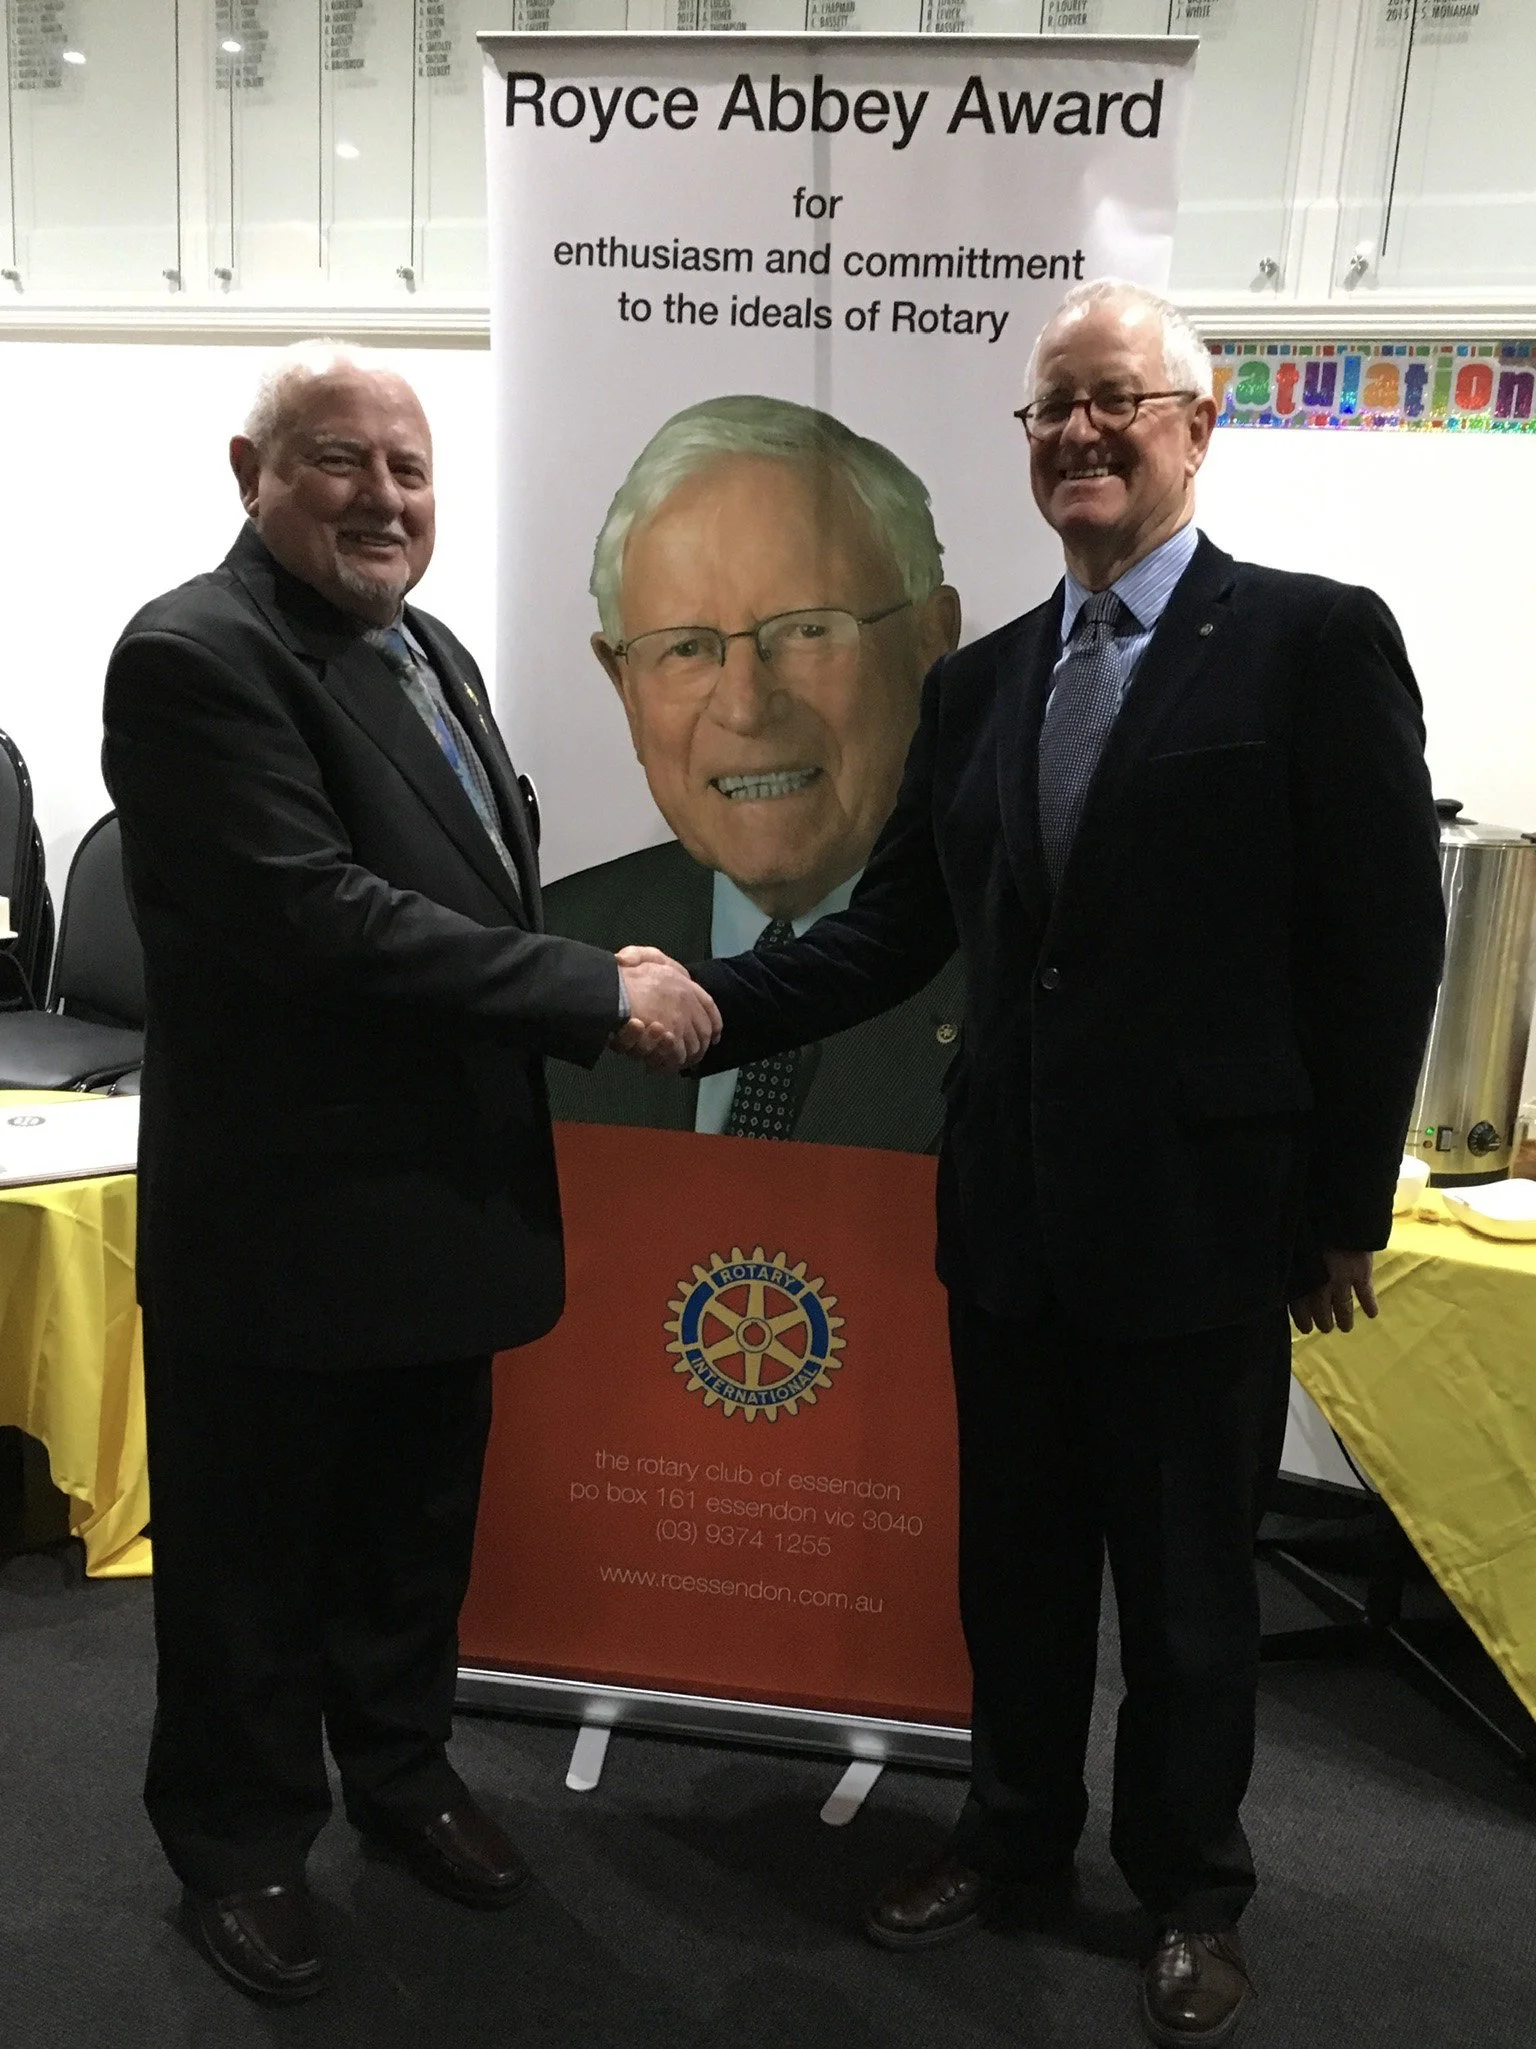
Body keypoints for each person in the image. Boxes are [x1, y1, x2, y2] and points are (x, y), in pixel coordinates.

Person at [682, 282, 1445, 2045]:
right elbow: (891, 935)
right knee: (1012, 1569)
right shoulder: (980, 683)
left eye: (1116, 400)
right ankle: (1012, 1837)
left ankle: (1191, 1887)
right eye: (1051, 409)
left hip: (1202, 1222)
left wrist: (1340, 1205)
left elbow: (1380, 944)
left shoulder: (1314, 642)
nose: (1080, 434)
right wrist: (691, 1005)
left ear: (1197, 421)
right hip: (1010, 1218)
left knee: (1189, 1588)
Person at [102, 341, 717, 2003]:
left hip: (439, 1209)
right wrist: (595, 993)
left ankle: (403, 1769)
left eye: (411, 469)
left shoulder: (426, 646)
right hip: (286, 1226)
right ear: (252, 473)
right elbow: (316, 917)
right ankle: (237, 1842)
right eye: (340, 461)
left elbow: (459, 889)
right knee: (250, 1567)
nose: (385, 497)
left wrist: (587, 952)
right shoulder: (193, 654)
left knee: (408, 1535)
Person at [544, 394, 964, 1152]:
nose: (744, 704)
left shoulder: (1034, 970)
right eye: (686, 647)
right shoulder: (549, 959)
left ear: (933, 644)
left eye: (807, 630)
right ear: (625, 687)